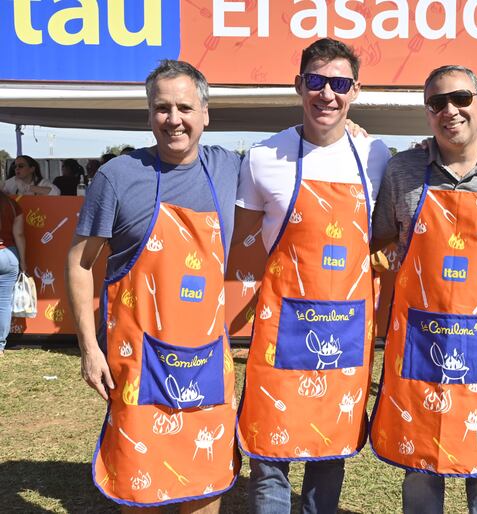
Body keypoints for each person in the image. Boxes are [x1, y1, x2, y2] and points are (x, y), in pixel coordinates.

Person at [66, 60, 242, 512]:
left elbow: (300, 151)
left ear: (206, 114)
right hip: (137, 364)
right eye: (162, 108)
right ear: (149, 116)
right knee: (140, 489)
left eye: (185, 107)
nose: (174, 119)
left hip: (204, 361)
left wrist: (351, 131)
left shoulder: (229, 168)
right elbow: (80, 263)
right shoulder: (118, 176)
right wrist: (89, 348)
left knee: (205, 481)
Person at [369, 65, 477, 514]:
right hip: (421, 345)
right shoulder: (400, 171)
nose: (450, 110)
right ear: (428, 113)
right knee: (421, 464)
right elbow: (377, 238)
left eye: (461, 99)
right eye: (438, 102)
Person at [235, 38, 390, 514]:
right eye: (317, 81)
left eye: (339, 83)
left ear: (355, 90)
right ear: (299, 84)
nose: (327, 94)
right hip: (282, 326)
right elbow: (244, 247)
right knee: (269, 457)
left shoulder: (377, 155)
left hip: (345, 330)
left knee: (331, 450)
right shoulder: (263, 156)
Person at [0, 191, 26, 356]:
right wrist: (24, 262)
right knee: (3, 304)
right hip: (9, 256)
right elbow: (19, 235)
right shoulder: (11, 204)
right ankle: (0, 346)